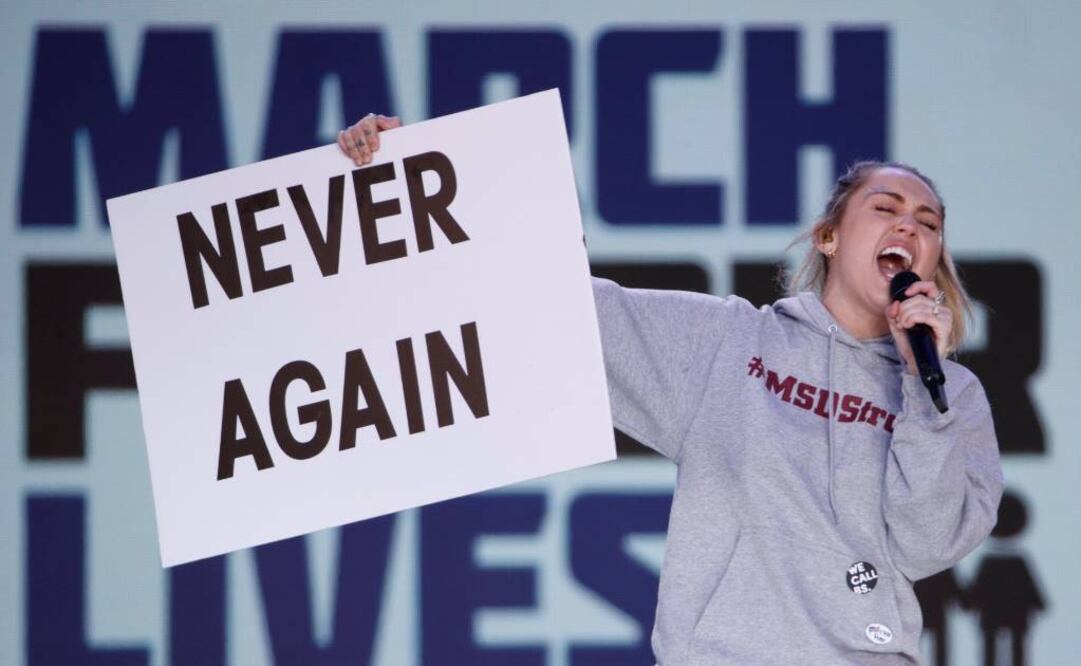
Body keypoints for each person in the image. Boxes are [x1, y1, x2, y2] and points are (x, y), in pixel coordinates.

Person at [338, 114, 1004, 665]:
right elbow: (556, 304)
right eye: (884, 208)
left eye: (927, 222)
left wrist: (923, 394)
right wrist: (402, 177)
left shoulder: (952, 395)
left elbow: (925, 544)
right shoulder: (726, 344)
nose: (908, 227)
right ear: (829, 237)